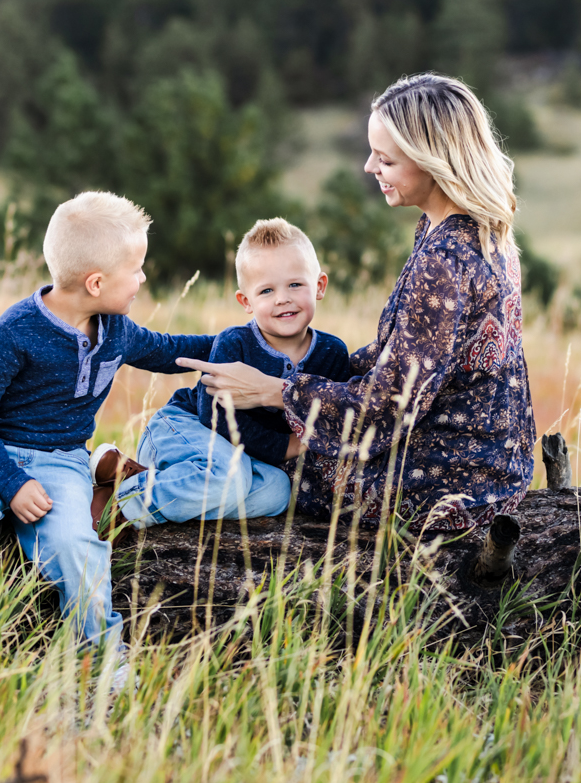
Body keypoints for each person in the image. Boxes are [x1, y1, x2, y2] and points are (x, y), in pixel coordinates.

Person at [179, 73, 534, 531]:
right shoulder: (481, 231)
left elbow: (389, 407)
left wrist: (276, 390)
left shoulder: (443, 259)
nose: (369, 167)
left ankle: (131, 485)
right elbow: (416, 356)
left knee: (257, 458)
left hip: (452, 478)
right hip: (497, 460)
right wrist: (317, 372)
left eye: (384, 158)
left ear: (433, 161)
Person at [0, 191, 212, 664]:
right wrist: (13, 483)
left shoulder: (116, 331)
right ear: (96, 282)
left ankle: (103, 662)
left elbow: (171, 349)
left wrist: (248, 341)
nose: (142, 278)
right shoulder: (13, 332)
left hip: (61, 462)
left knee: (77, 546)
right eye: (137, 268)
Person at [93, 218, 353, 531]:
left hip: (237, 457)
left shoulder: (333, 353)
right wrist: (286, 447)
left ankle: (140, 478)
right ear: (246, 302)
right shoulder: (235, 343)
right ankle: (121, 503)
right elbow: (213, 417)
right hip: (185, 428)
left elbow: (332, 414)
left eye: (295, 284)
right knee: (232, 478)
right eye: (267, 290)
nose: (283, 298)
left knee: (278, 492)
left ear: (320, 286)